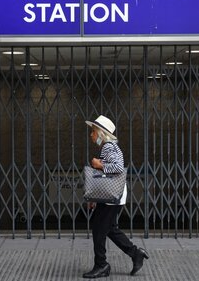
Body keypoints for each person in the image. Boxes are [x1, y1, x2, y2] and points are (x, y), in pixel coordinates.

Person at [83, 115, 149, 278]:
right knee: (110, 228)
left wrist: (99, 165)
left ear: (100, 133)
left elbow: (118, 168)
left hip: (112, 198)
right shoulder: (109, 146)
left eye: (93, 132)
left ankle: (102, 265)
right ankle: (135, 254)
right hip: (112, 196)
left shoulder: (108, 147)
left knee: (99, 229)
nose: (91, 135)